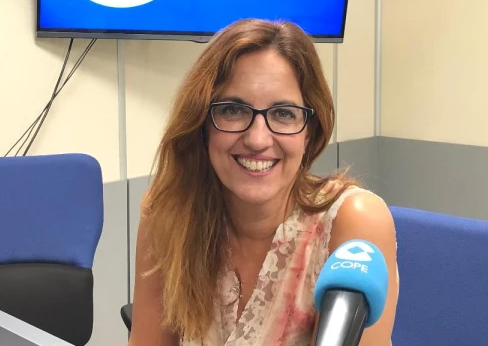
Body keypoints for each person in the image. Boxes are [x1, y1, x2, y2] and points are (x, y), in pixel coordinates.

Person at [128, 19, 399, 346]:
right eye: (233, 110)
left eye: (284, 114)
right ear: (203, 125)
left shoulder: (354, 222)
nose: (257, 139)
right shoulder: (169, 215)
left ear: (309, 132)